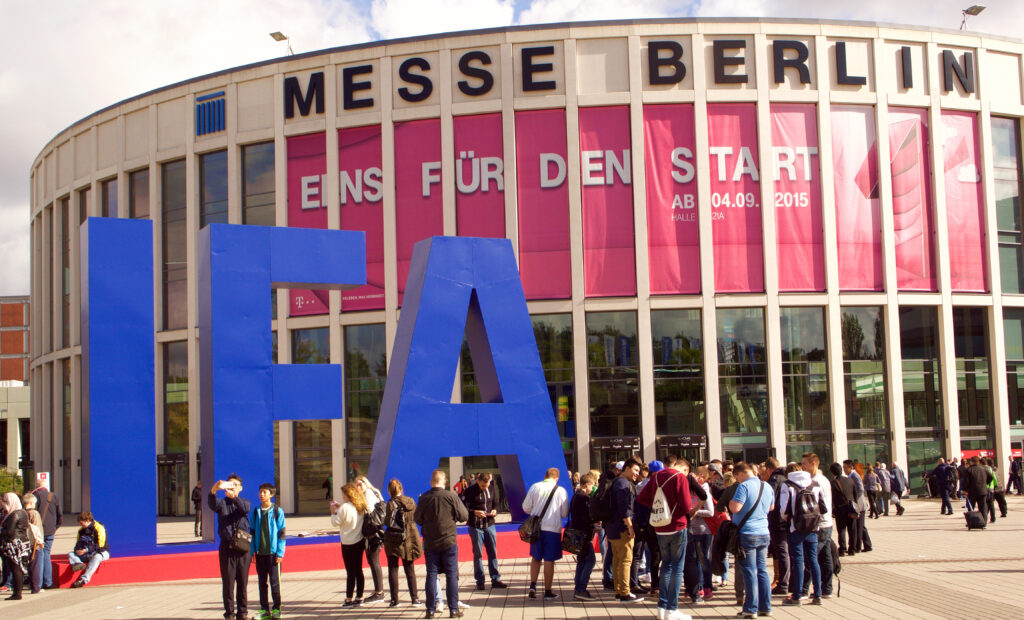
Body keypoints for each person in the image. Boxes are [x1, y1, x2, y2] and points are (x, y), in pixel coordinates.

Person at [636, 454, 692, 620]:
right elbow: (687, 505)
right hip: (677, 525)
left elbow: (642, 498)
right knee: (677, 567)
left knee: (666, 565)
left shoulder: (657, 476)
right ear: (678, 465)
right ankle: (672, 609)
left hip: (660, 526)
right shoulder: (680, 477)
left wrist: (657, 506)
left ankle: (662, 607)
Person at [414, 469, 468, 619]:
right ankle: (453, 609)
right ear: (445, 482)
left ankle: (430, 610)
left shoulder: (424, 498)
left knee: (431, 574)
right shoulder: (451, 496)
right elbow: (464, 516)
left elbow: (417, 519)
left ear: (431, 482)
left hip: (431, 542)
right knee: (451, 575)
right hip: (449, 540)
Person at [728, 463, 774, 620]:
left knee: (749, 571)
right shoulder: (766, 486)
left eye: (737, 477)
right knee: (762, 570)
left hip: (747, 533)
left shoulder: (743, 487)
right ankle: (765, 607)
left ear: (740, 474)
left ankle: (750, 608)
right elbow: (771, 507)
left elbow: (736, 508)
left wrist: (730, 503)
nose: (737, 480)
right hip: (764, 532)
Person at [779, 457, 826, 606]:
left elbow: (783, 510)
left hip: (796, 527)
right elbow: (823, 507)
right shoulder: (815, 484)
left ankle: (797, 595)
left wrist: (788, 520)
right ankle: (818, 594)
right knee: (813, 560)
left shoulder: (788, 485)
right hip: (813, 526)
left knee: (798, 561)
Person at [522, 467, 570, 600]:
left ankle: (532, 585)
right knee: (549, 560)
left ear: (545, 476)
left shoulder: (535, 487)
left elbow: (525, 507)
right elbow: (565, 513)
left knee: (536, 557)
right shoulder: (560, 491)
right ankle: (548, 591)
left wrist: (535, 510)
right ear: (557, 478)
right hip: (553, 529)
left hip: (536, 528)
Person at [209, 474, 252, 619]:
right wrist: (214, 490)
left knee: (242, 582)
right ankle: (229, 613)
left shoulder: (244, 501)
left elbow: (245, 509)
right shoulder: (222, 503)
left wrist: (235, 497)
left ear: (240, 488)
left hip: (243, 548)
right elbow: (212, 504)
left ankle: (243, 612)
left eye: (235, 485)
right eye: (230, 484)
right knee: (228, 583)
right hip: (227, 547)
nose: (232, 487)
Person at [606, 457, 644, 603]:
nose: (637, 474)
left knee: (617, 559)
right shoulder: (623, 484)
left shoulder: (615, 482)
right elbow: (625, 510)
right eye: (635, 470)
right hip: (622, 528)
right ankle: (625, 593)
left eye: (638, 471)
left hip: (612, 527)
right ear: (626, 468)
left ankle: (619, 590)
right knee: (626, 560)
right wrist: (630, 527)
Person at [462, 472, 506, 591]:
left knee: (493, 552)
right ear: (478, 481)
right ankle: (480, 581)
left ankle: (495, 578)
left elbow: (496, 504)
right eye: (482, 486)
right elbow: (464, 508)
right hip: (476, 526)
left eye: (486, 486)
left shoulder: (491, 488)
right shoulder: (470, 491)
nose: (484, 488)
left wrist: (495, 511)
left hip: (489, 524)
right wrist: (474, 512)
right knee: (478, 554)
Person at [249, 483, 286, 619]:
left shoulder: (277, 511)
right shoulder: (255, 511)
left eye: (264, 492)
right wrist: (253, 551)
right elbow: (251, 532)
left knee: (275, 582)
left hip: (273, 554)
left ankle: (277, 608)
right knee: (262, 582)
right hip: (260, 554)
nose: (262, 494)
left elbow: (282, 533)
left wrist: (280, 553)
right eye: (260, 492)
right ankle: (264, 609)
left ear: (271, 494)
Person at [383, 478, 422, 607]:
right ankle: (415, 598)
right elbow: (416, 517)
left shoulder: (390, 504)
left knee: (393, 569)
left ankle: (394, 600)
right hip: (410, 536)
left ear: (390, 491)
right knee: (410, 568)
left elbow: (388, 521)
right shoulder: (411, 501)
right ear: (401, 489)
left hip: (393, 538)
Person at [331, 482, 367, 608]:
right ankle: (360, 596)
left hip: (347, 542)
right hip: (359, 540)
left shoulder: (344, 508)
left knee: (350, 571)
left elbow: (335, 522)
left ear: (348, 494)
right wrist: (340, 507)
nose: (342, 496)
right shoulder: (361, 506)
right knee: (358, 570)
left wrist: (333, 512)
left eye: (343, 494)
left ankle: (349, 598)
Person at [683, 466, 714, 605]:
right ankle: (695, 587)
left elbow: (710, 512)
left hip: (703, 530)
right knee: (692, 560)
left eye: (696, 476)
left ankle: (706, 587)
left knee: (704, 560)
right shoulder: (690, 489)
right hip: (691, 530)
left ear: (702, 477)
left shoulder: (704, 491)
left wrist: (693, 511)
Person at [354, 476, 386, 604]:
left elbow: (367, 512)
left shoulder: (368, 494)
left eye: (360, 484)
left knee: (374, 562)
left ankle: (379, 593)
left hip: (373, 534)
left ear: (366, 483)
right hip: (376, 533)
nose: (358, 487)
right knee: (374, 562)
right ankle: (378, 590)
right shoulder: (374, 492)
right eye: (356, 485)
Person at [568, 472, 598, 601]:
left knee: (581, 560)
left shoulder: (575, 496)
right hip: (584, 534)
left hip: (577, 533)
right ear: (587, 484)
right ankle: (581, 588)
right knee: (590, 560)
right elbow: (586, 517)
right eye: (592, 486)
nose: (593, 489)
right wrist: (593, 523)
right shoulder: (584, 498)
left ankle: (578, 588)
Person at [763, 457, 789, 596]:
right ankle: (786, 581)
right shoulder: (786, 477)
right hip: (786, 520)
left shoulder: (774, 479)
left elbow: (768, 498)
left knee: (781, 552)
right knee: (786, 552)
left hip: (777, 520)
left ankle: (782, 582)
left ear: (768, 469)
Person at [31, 474, 61, 591]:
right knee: (47, 554)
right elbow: (60, 515)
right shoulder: (53, 496)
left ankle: (38, 583)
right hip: (51, 530)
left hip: (39, 530)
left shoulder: (35, 496)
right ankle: (48, 582)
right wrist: (55, 527)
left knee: (40, 555)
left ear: (36, 486)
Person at [67, 511, 110, 589]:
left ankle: (84, 579)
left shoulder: (99, 528)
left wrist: (86, 550)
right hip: (86, 553)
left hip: (100, 552)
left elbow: (101, 546)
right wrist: (77, 550)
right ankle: (78, 563)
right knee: (70, 554)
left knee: (97, 557)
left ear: (87, 521)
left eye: (82, 523)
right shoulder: (81, 530)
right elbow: (77, 544)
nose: (81, 525)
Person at [0, 494, 30, 600]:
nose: (4, 506)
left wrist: (2, 530)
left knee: (16, 568)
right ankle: (17, 592)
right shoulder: (23, 513)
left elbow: (9, 531)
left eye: (5, 503)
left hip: (15, 545)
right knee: (19, 568)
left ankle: (17, 593)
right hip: (22, 543)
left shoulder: (15, 514)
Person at [829, 463, 859, 556]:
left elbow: (832, 497)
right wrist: (855, 506)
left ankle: (842, 548)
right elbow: (855, 495)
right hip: (851, 508)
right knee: (852, 529)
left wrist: (832, 509)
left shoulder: (833, 483)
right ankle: (852, 549)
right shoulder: (850, 480)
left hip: (840, 509)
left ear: (832, 472)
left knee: (841, 530)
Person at [843, 460, 872, 552]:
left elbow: (860, 489)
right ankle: (868, 545)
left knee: (858, 527)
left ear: (851, 467)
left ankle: (857, 547)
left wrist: (854, 500)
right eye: (843, 468)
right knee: (861, 526)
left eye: (845, 468)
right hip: (857, 504)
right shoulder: (850, 476)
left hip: (858, 505)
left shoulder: (855, 476)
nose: (844, 469)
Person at [21, 494, 43, 595]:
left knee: (26, 565)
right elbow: (37, 528)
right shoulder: (34, 513)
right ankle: (36, 587)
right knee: (34, 565)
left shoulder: (22, 512)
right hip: (33, 543)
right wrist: (40, 541)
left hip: (23, 542)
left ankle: (22, 584)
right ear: (31, 503)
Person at [964, 456, 995, 525]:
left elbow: (966, 481)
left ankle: (971, 521)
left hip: (972, 491)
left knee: (971, 506)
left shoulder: (969, 470)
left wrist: (965, 490)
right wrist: (985, 483)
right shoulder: (983, 469)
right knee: (983, 507)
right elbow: (991, 477)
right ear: (978, 462)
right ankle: (984, 522)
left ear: (971, 462)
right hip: (982, 491)